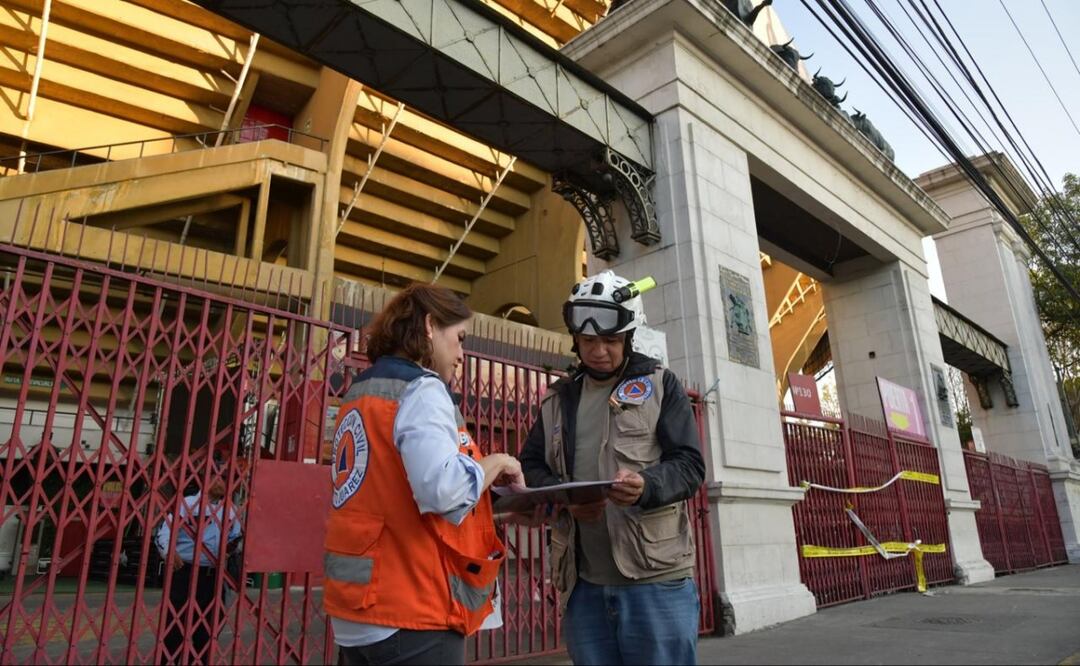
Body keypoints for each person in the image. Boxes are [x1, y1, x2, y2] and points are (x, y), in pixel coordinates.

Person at [324, 283, 524, 666]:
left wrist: (499, 510)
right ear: (431, 326)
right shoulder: (421, 388)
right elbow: (443, 491)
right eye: (460, 339)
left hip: (356, 611)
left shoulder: (362, 392)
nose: (462, 355)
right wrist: (498, 461)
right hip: (410, 607)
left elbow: (392, 496)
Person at [519, 270, 706, 666]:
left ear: (628, 338)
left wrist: (646, 485)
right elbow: (531, 465)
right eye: (588, 340)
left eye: (610, 340)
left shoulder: (661, 385)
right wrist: (566, 498)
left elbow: (689, 465)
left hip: (655, 581)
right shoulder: (557, 399)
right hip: (583, 584)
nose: (598, 350)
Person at [155, 472, 242, 665]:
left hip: (211, 577)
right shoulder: (187, 504)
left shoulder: (231, 510)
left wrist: (227, 552)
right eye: (216, 478)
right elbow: (164, 531)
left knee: (207, 630)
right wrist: (169, 552)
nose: (220, 482)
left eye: (223, 478)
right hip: (184, 573)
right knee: (174, 628)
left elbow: (236, 537)